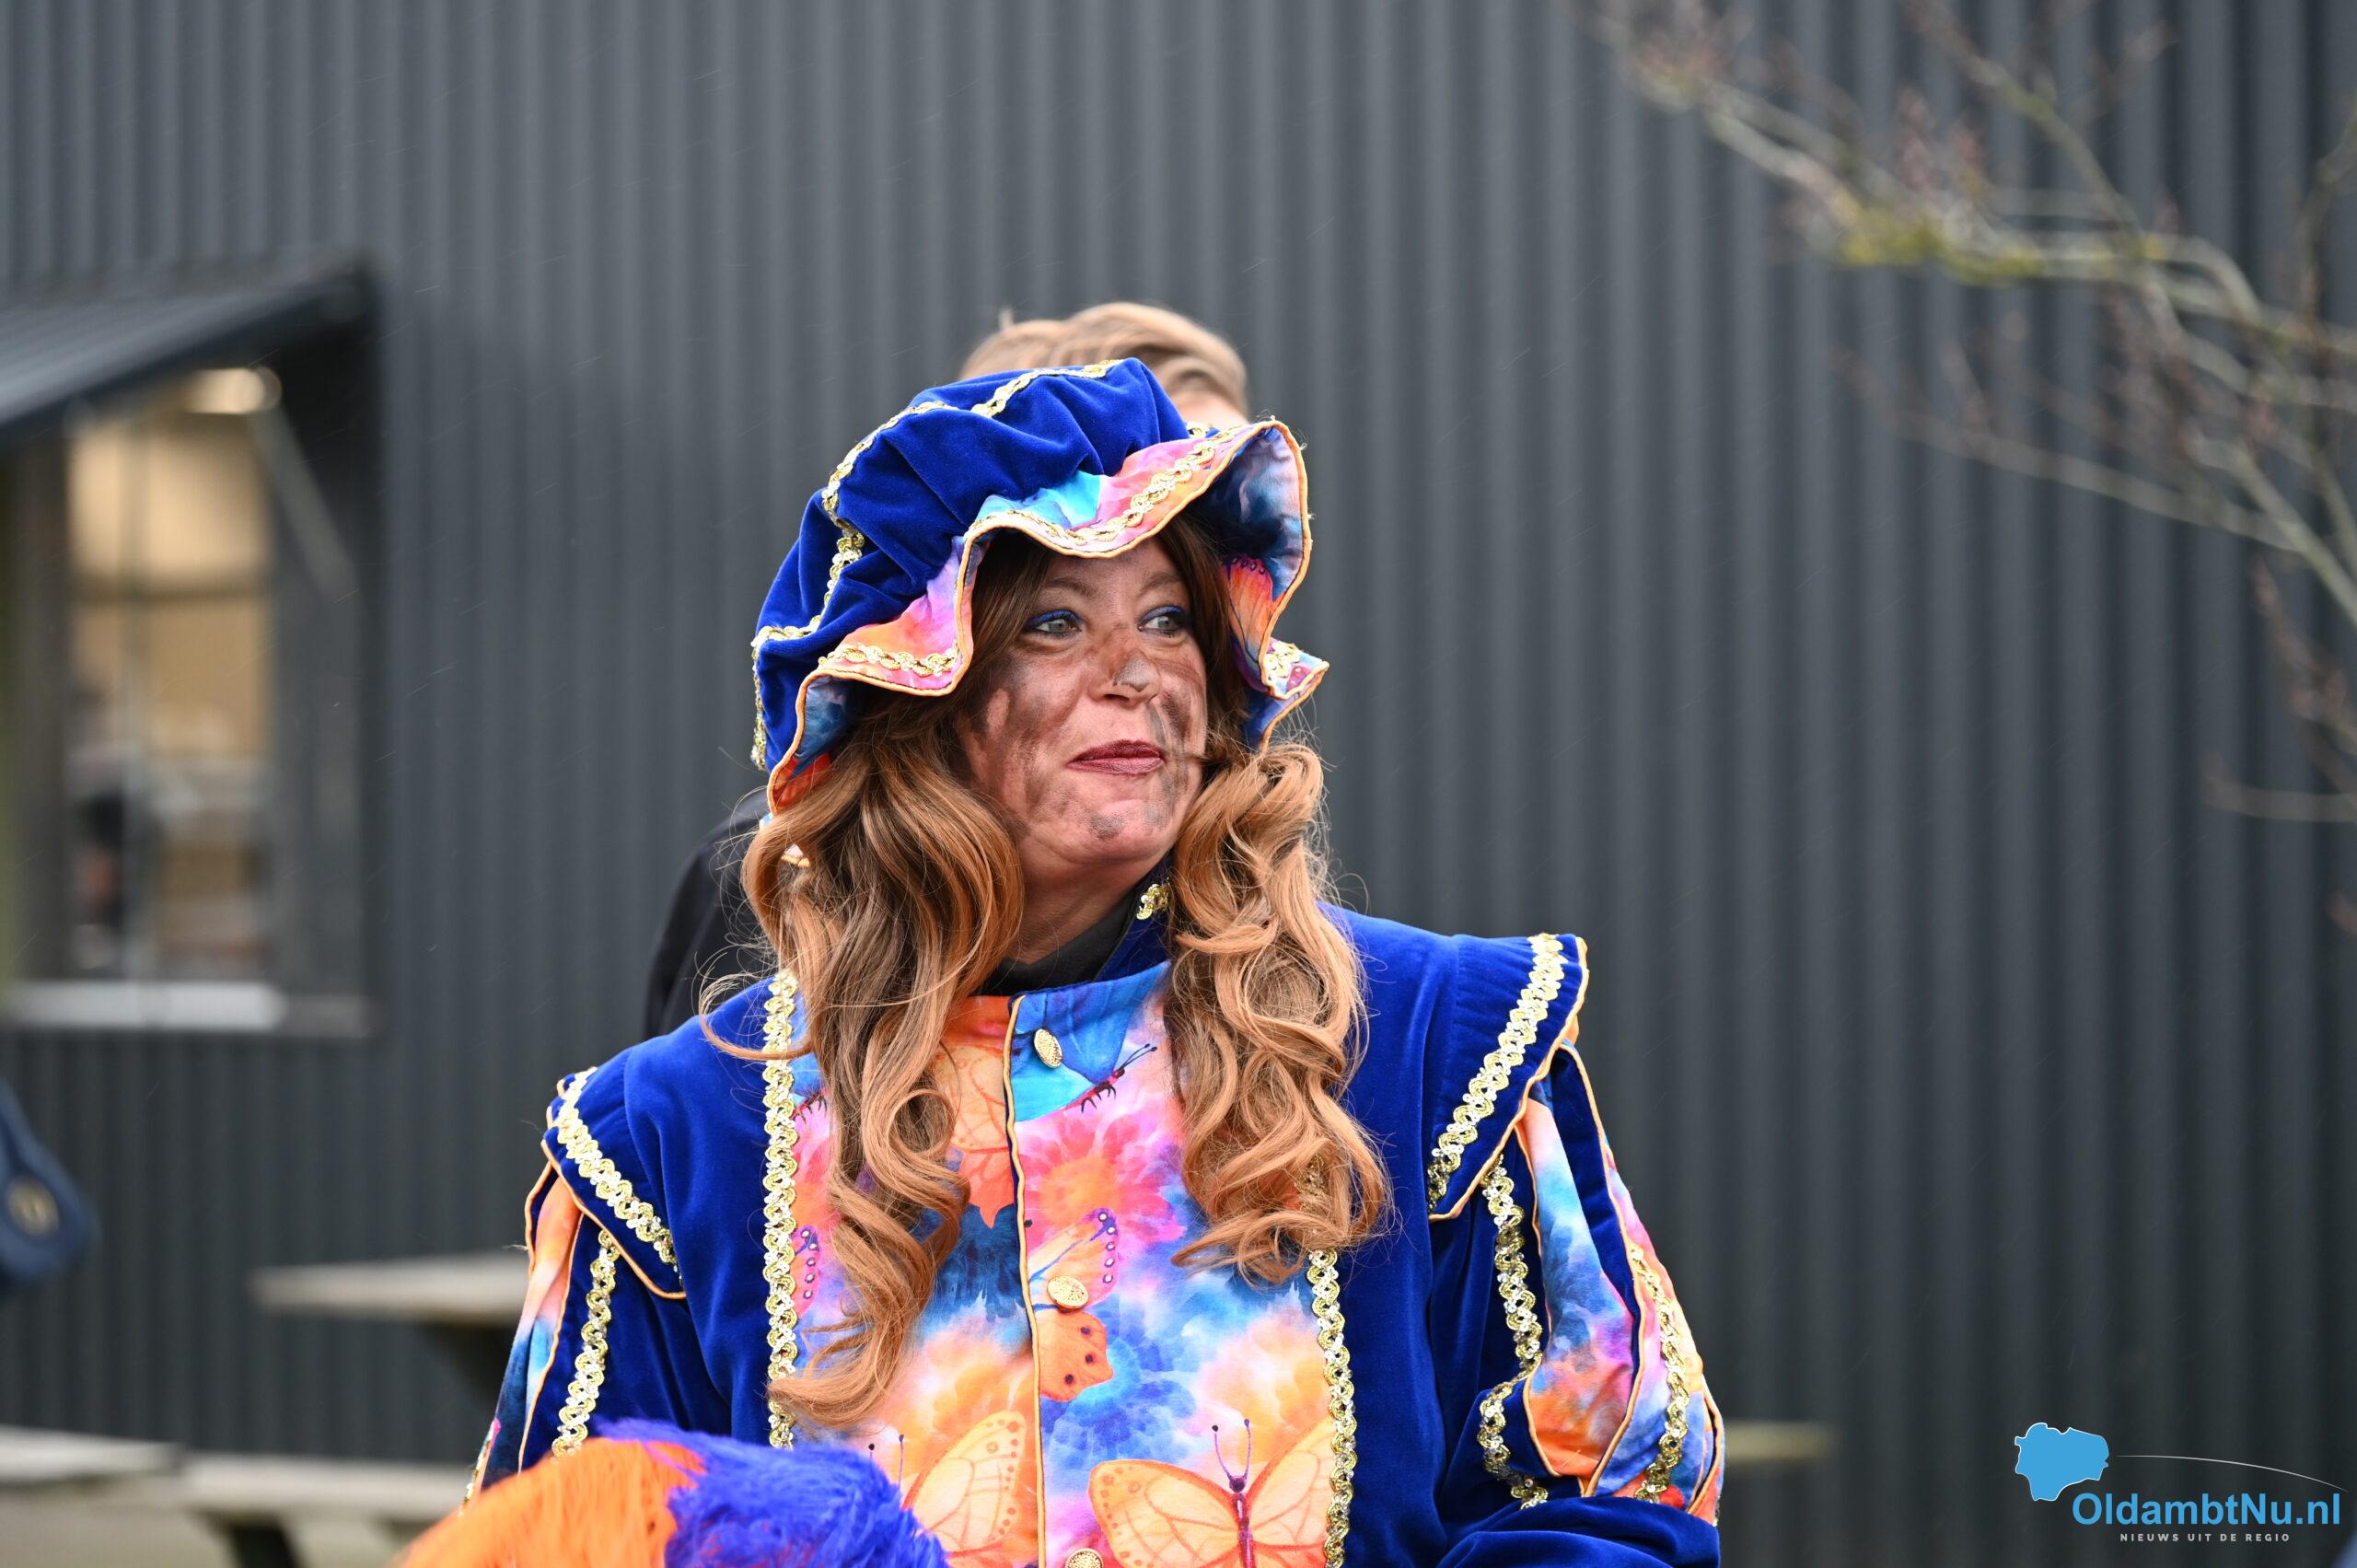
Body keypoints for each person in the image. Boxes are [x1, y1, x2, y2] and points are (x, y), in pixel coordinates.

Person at [473, 356, 1724, 1566]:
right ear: (909, 700)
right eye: (1055, 622)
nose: (1137, 674)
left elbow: (1616, 1488)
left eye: (1170, 618)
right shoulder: (676, 1136)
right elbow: (577, 1533)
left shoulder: (1428, 1043)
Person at [640, 303, 1255, 1040]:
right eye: (1056, 621)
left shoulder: (1264, 887)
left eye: (1168, 612)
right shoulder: (784, 878)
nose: (1208, 542)